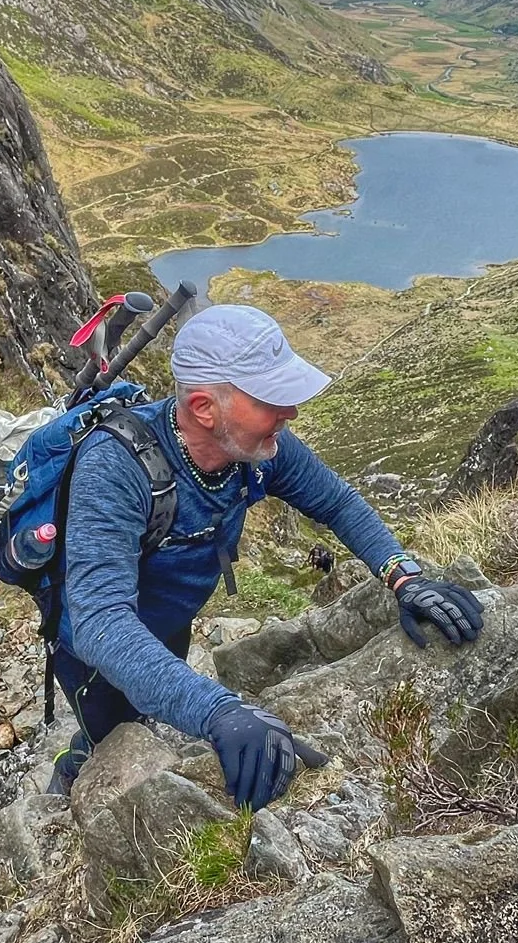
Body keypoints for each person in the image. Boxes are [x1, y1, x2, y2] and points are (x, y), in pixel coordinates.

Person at [49, 303, 484, 808]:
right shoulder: (114, 468)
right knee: (112, 727)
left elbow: (337, 502)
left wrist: (404, 577)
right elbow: (101, 622)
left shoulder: (258, 449)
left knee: (158, 686)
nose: (290, 412)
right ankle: (73, 768)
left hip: (169, 614)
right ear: (205, 408)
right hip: (90, 639)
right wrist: (218, 711)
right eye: (270, 399)